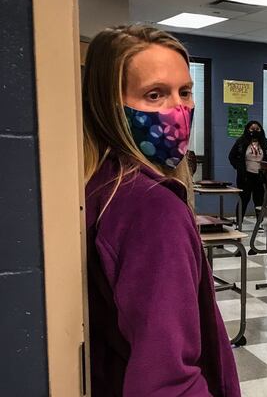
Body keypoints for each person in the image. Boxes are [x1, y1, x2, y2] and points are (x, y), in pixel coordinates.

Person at [82, 24, 240, 396]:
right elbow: (168, 380)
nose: (178, 110)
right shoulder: (154, 210)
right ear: (110, 107)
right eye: (154, 95)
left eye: (184, 92)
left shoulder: (104, 186)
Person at [228, 120, 267, 218]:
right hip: (245, 176)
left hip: (260, 177)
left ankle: (260, 223)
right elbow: (232, 156)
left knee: (259, 200)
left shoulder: (265, 144)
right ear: (247, 130)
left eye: (257, 129)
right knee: (243, 199)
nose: (255, 131)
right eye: (252, 129)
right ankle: (239, 223)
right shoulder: (241, 142)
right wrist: (239, 167)